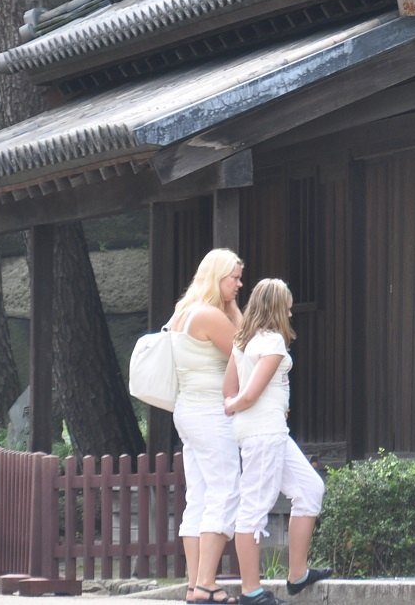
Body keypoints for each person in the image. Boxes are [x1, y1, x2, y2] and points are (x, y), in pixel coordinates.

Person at [225, 279, 330, 605]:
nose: (290, 310)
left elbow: (230, 386)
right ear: (274, 307)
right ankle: (251, 592)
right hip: (263, 434)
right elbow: (249, 393)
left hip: (269, 432)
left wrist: (236, 403)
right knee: (254, 509)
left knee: (311, 489)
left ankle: (297, 574)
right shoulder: (271, 343)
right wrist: (234, 406)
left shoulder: (243, 342)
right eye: (287, 305)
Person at [168, 248, 245, 605]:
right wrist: (231, 310)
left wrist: (229, 307)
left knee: (197, 496)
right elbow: (246, 352)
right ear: (218, 278)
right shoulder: (211, 315)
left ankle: (194, 585)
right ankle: (206, 583)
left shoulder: (184, 312)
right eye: (235, 278)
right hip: (212, 414)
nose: (239, 284)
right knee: (226, 491)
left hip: (187, 412)